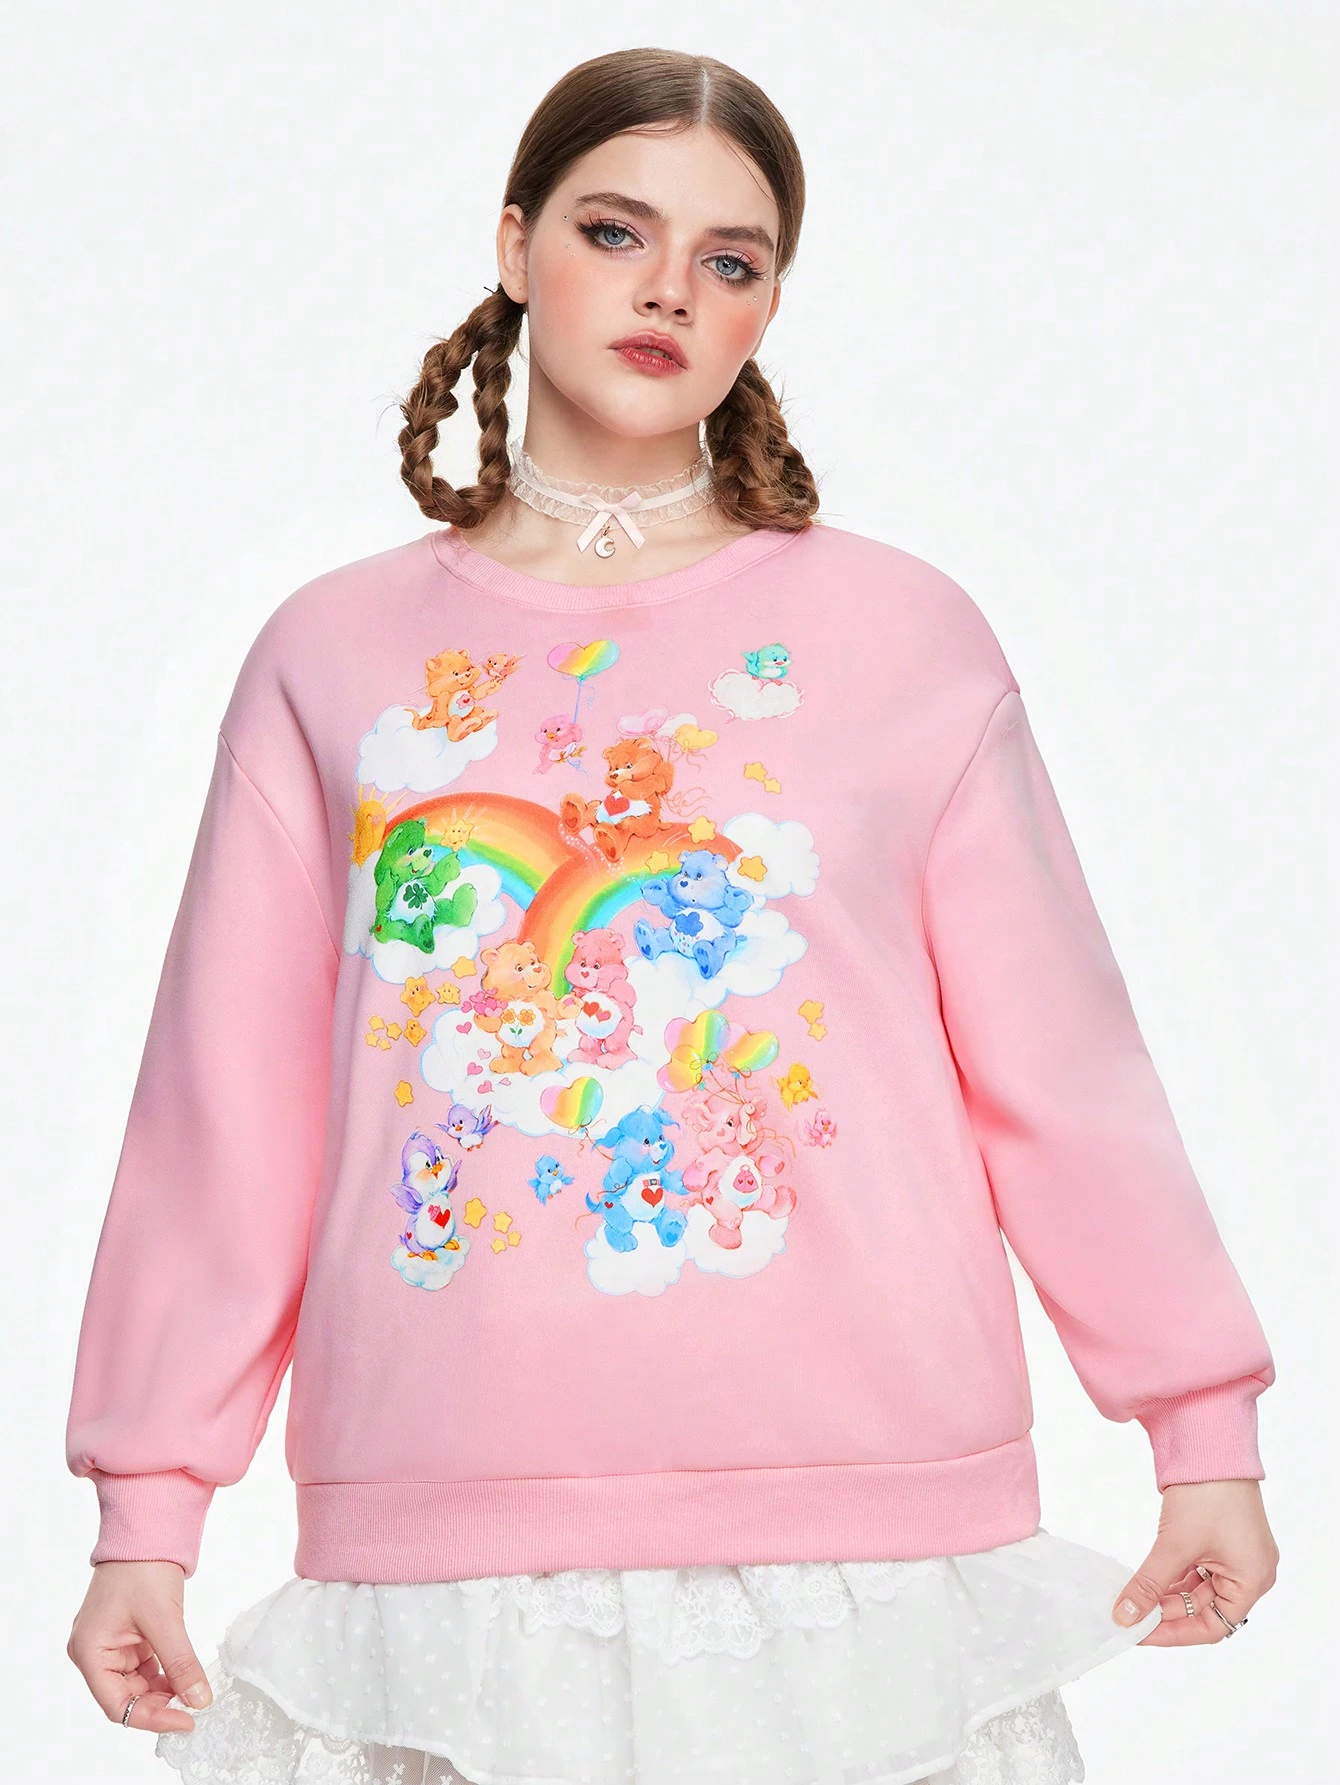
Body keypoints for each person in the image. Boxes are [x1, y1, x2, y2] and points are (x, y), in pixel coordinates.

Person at [64, 45, 1279, 1785]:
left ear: (771, 303)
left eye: (731, 259)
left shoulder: (902, 638)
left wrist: (1198, 1425)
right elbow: (224, 1117)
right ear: (515, 244)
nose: (669, 291)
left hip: (866, 1533)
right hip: (451, 1538)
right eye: (615, 231)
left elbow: (1063, 1073)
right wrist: (149, 1508)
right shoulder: (330, 658)